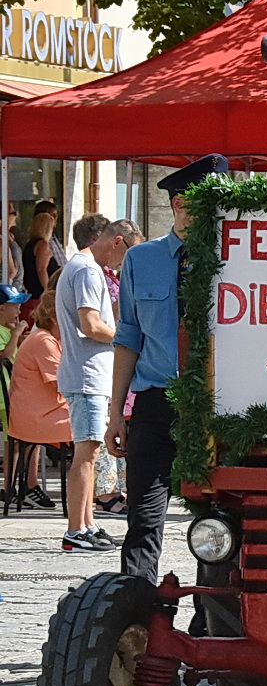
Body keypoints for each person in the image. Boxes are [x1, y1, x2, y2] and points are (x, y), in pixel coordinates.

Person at [109, 156, 222, 581]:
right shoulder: (142, 259)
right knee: (143, 517)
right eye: (204, 204)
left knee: (220, 522)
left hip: (218, 405)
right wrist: (117, 410)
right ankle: (136, 612)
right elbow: (128, 338)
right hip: (158, 401)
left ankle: (213, 616)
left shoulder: (237, 256)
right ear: (178, 204)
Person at [56, 219, 140, 554]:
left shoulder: (83, 267)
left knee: (89, 452)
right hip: (87, 375)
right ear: (117, 241)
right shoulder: (88, 271)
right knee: (87, 452)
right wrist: (127, 339)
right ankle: (76, 528)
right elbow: (91, 325)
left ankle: (87, 523)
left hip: (88, 374)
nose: (123, 264)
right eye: (126, 255)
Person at [10, 284, 72, 515]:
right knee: (97, 430)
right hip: (38, 419)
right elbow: (63, 384)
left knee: (99, 424)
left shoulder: (49, 340)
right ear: (57, 318)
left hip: (41, 414)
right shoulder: (44, 342)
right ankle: (103, 494)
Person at [22, 201, 60, 300]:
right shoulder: (42, 245)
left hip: (33, 293)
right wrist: (48, 292)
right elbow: (42, 269)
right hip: (39, 295)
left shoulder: (30, 244)